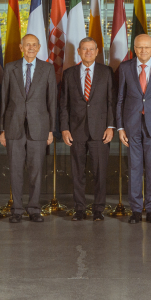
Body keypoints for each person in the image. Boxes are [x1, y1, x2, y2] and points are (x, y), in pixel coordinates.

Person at [0, 34, 56, 223]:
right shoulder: (10, 68)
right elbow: (3, 99)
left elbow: (52, 101)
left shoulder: (48, 69)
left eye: (34, 45)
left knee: (36, 170)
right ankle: (16, 209)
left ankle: (34, 208)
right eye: (27, 45)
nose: (31, 48)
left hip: (39, 127)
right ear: (21, 47)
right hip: (13, 126)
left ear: (39, 47)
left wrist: (51, 130)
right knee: (15, 170)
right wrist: (2, 129)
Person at [116, 33, 151, 225]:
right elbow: (120, 99)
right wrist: (120, 127)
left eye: (147, 47)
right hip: (131, 125)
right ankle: (136, 210)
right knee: (134, 168)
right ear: (134, 48)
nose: (143, 50)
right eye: (140, 47)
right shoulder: (125, 67)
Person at [60, 37, 116, 221]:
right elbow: (64, 104)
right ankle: (79, 209)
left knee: (100, 172)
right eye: (85, 49)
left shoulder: (106, 72)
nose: (88, 52)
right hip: (76, 131)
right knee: (78, 172)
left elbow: (111, 101)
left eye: (92, 49)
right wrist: (64, 128)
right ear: (79, 51)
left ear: (97, 51)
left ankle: (98, 209)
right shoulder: (69, 74)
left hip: (100, 131)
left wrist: (110, 126)